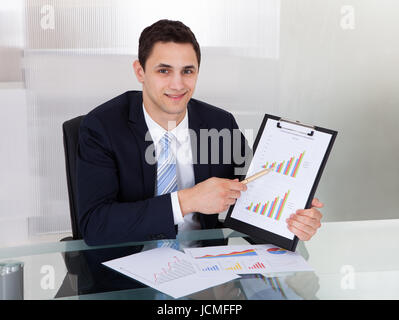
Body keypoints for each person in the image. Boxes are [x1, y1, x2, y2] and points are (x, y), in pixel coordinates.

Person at [76, 19, 323, 246]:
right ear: (140, 72)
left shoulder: (219, 123)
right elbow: (95, 225)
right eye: (164, 71)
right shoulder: (102, 127)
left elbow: (253, 194)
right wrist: (187, 201)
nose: (178, 84)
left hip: (205, 270)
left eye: (187, 71)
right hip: (125, 274)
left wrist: (292, 215)